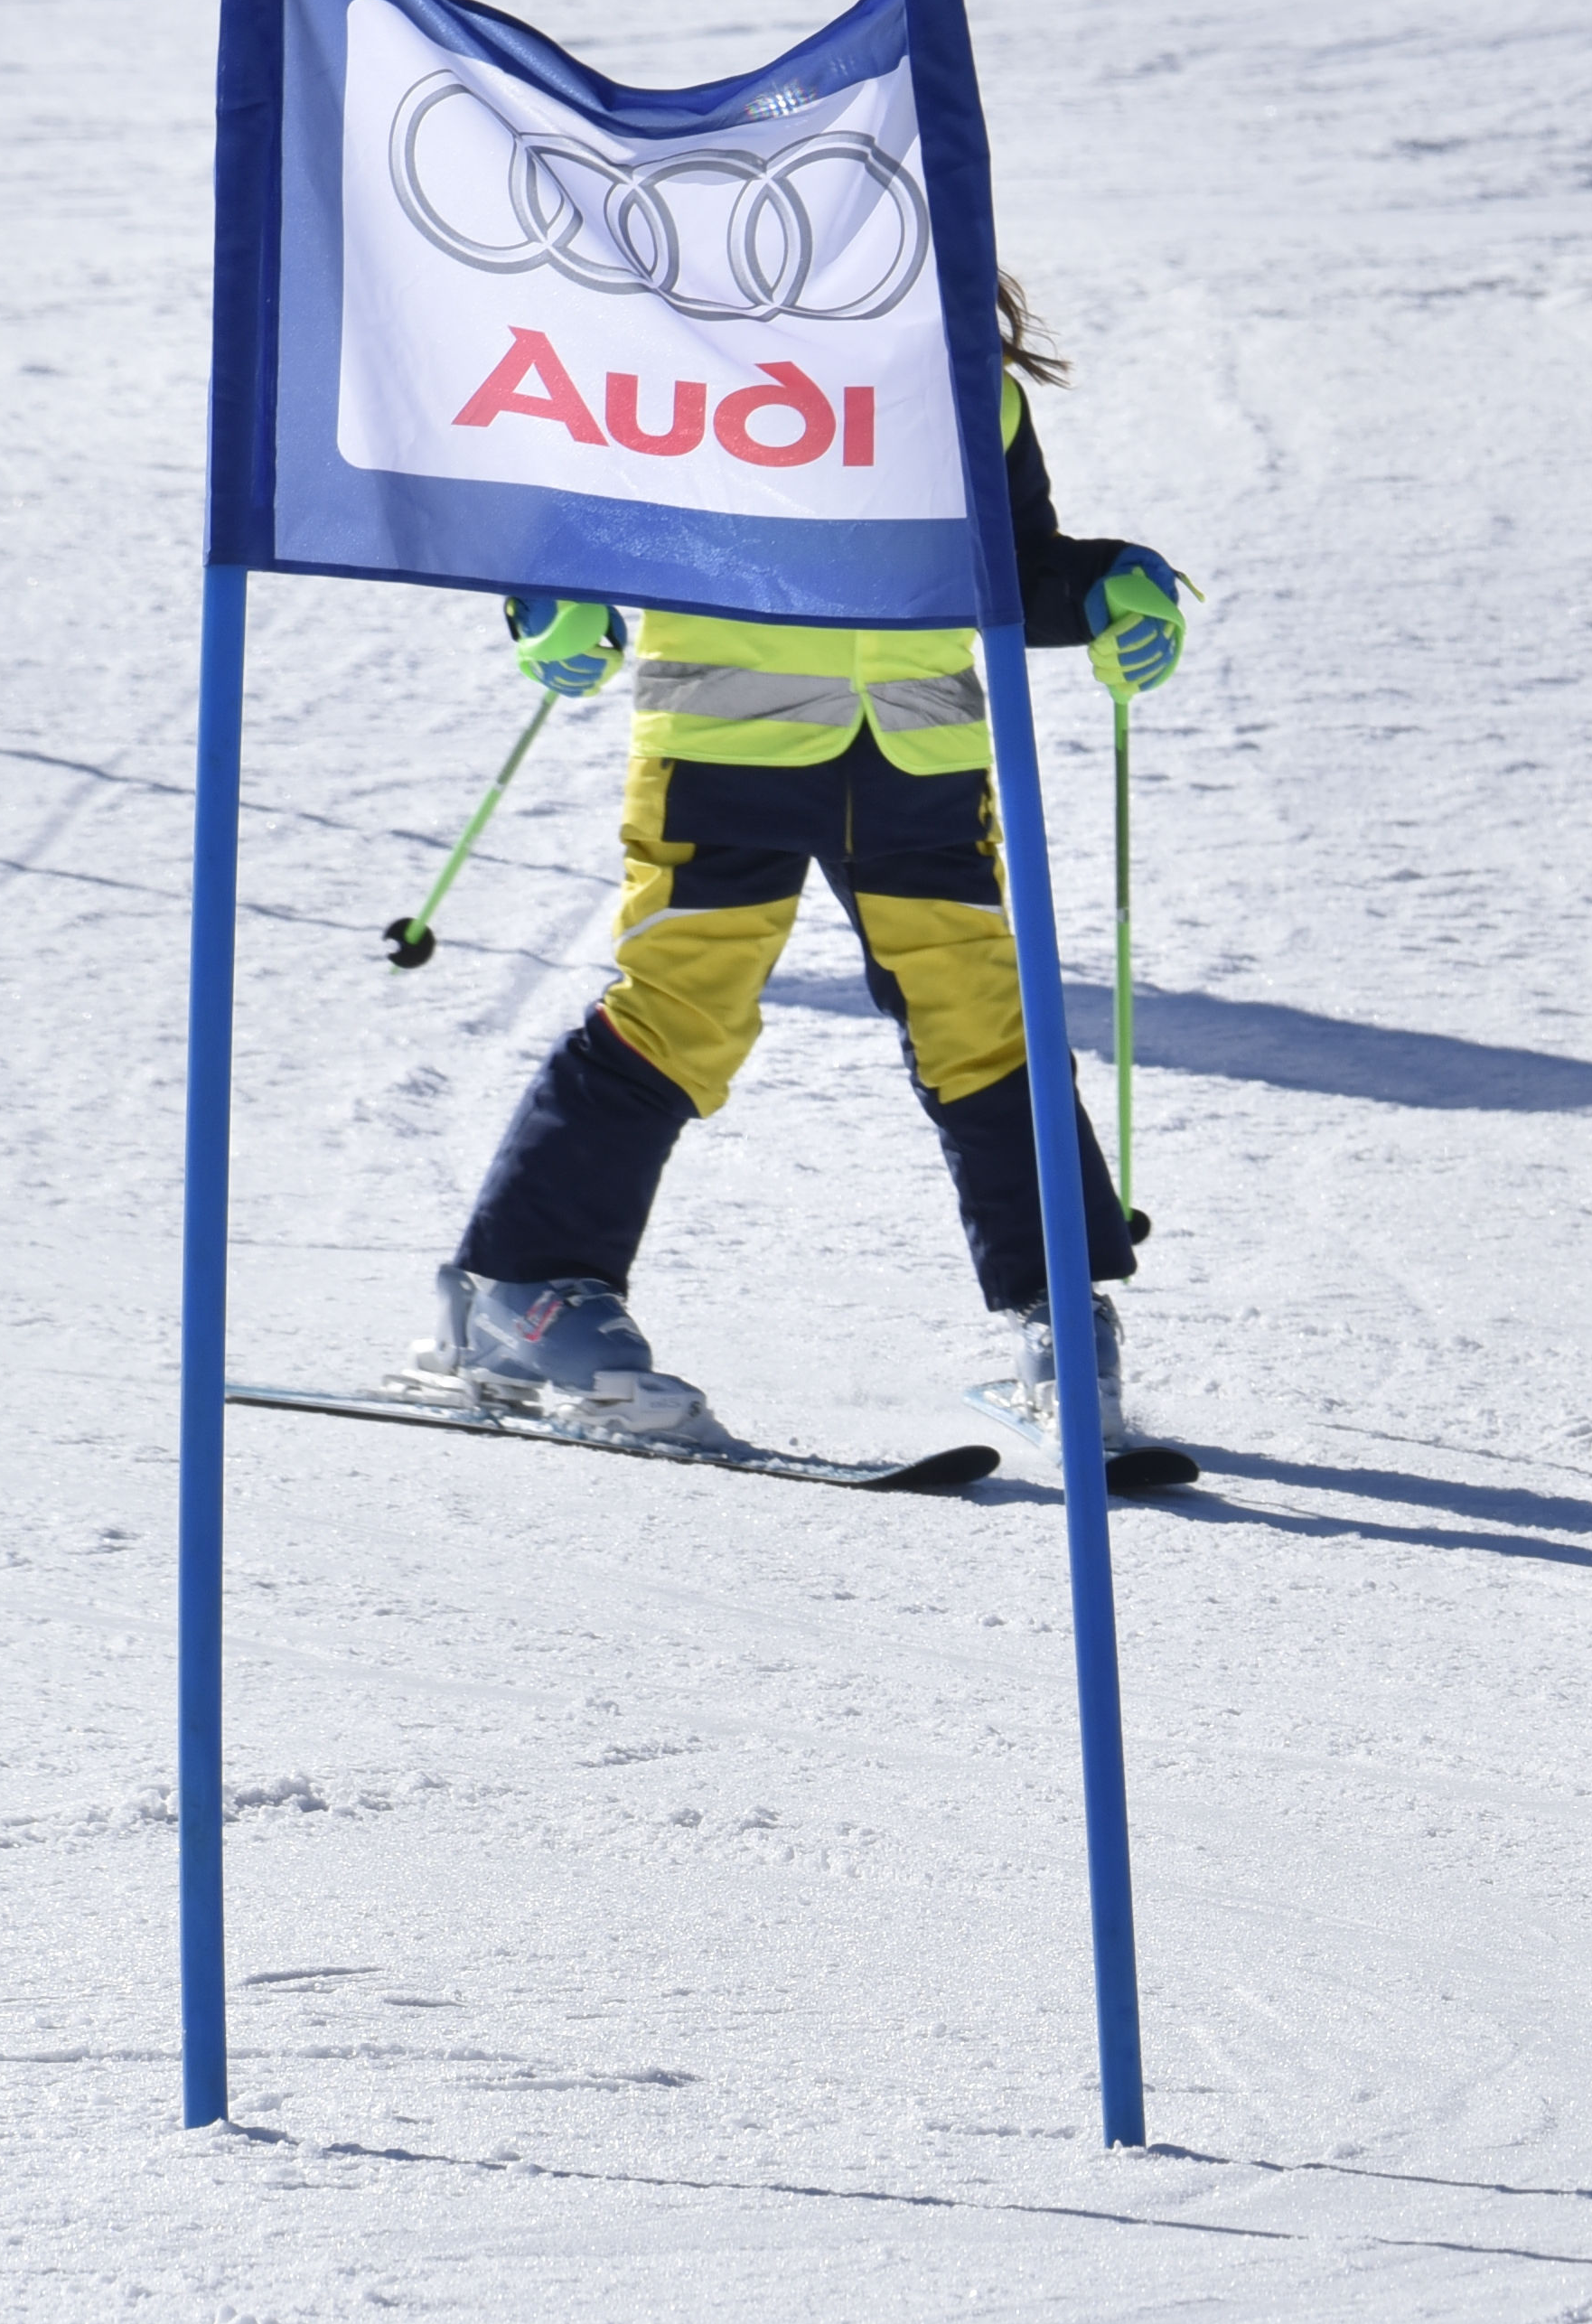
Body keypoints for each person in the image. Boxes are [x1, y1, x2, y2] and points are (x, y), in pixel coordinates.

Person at [419, 275, 1188, 1446]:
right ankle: (521, 1290)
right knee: (681, 1008)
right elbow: (571, 505)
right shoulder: (690, 355)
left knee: (983, 1016)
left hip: (919, 754)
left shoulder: (968, 391)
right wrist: (549, 603)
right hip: (726, 740)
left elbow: (1012, 567)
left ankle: (1058, 1319)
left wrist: (1105, 589)